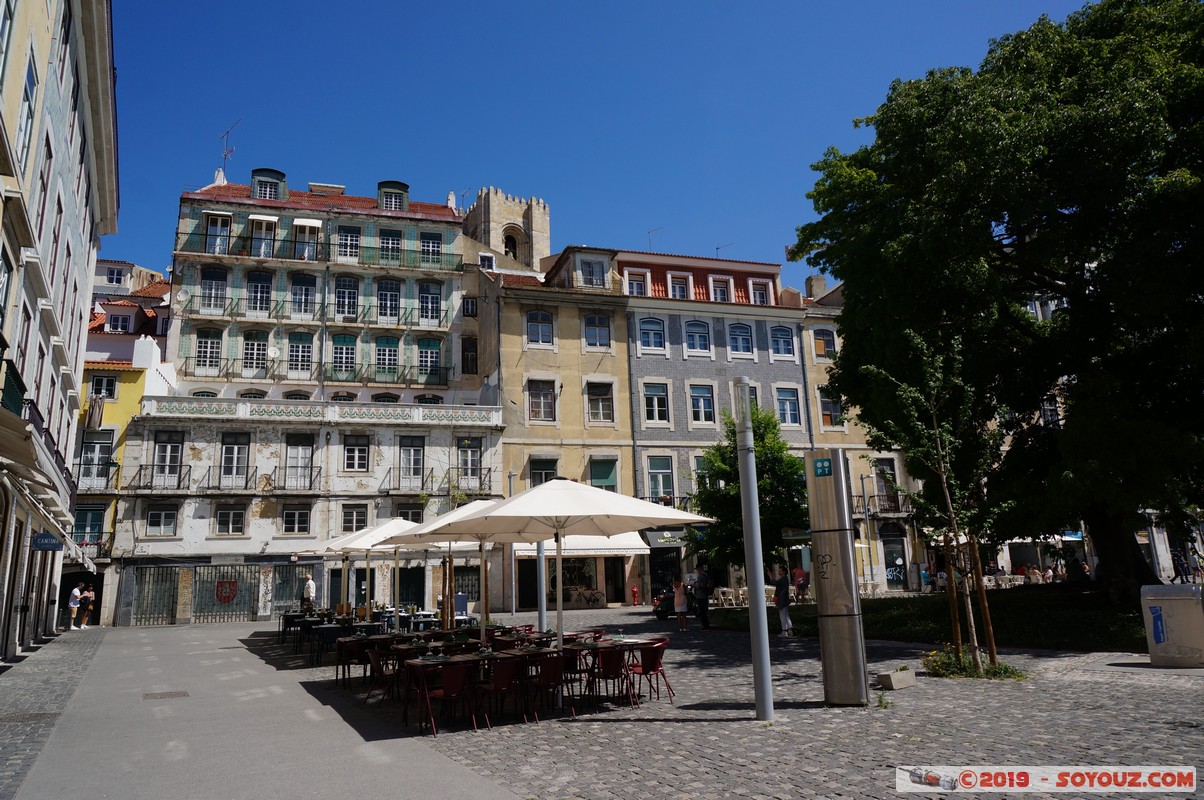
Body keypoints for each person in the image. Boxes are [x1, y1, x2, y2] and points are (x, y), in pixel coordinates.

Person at [772, 565, 794, 635]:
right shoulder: (785, 579)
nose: (779, 571)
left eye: (780, 570)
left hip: (782, 599)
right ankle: (790, 629)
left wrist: (770, 576)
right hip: (784, 599)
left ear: (784, 572)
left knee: (782, 615)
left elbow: (775, 583)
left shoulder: (783, 579)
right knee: (786, 614)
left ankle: (784, 630)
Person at [693, 563, 712, 630]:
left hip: (700, 595)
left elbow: (698, 587)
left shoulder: (700, 576)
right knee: (705, 611)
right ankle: (706, 625)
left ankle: (705, 625)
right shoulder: (706, 575)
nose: (697, 571)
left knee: (702, 611)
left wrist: (694, 585)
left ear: (699, 569)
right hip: (705, 594)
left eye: (697, 569)